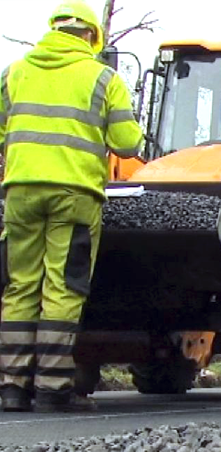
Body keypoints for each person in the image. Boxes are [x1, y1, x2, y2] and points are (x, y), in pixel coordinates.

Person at [0, 1, 143, 412]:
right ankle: (52, 389)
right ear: (90, 37)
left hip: (20, 192)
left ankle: (12, 387)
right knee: (63, 286)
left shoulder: (14, 72)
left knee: (20, 284)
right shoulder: (103, 77)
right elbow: (128, 143)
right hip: (74, 195)